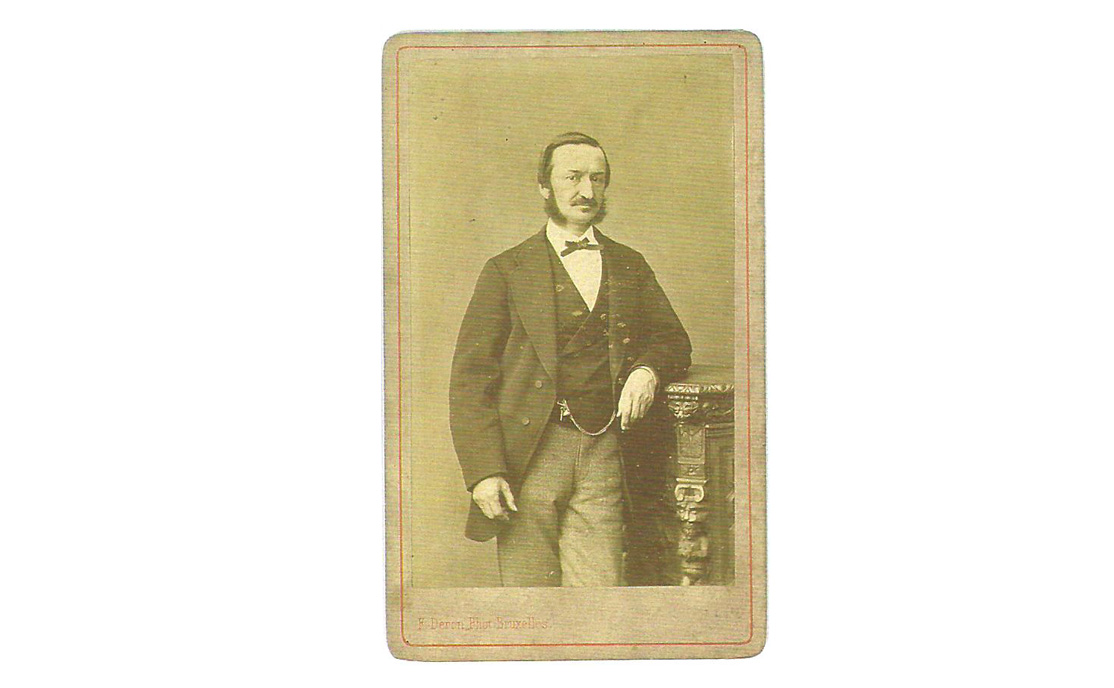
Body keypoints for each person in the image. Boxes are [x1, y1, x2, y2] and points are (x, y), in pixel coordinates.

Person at [449, 132, 692, 587]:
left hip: (606, 452)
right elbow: (470, 379)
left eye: (597, 179)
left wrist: (647, 370)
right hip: (529, 455)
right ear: (544, 186)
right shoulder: (506, 270)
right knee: (530, 597)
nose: (586, 191)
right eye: (573, 177)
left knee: (601, 596)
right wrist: (484, 472)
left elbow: (673, 339)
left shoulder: (629, 264)